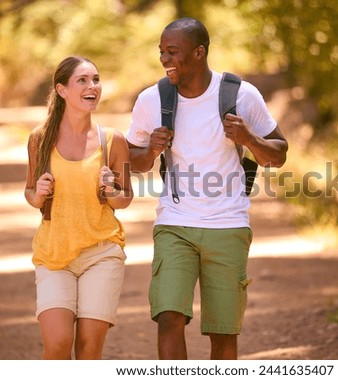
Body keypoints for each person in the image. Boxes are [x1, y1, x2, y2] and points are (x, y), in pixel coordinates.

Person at [127, 18, 288, 360]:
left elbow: (279, 154)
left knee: (222, 331)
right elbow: (133, 161)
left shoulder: (241, 95)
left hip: (228, 225)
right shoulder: (151, 99)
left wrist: (248, 139)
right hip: (174, 223)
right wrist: (151, 150)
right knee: (169, 315)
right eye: (161, 52)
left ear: (199, 53)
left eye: (173, 52)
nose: (164, 59)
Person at [24, 55, 133, 359]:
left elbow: (124, 199)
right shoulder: (40, 139)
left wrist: (112, 189)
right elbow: (31, 193)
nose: (92, 86)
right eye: (82, 80)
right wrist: (39, 193)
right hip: (54, 253)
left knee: (88, 348)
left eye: (96, 79)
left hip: (101, 252)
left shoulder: (112, 140)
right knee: (57, 344)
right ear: (61, 90)